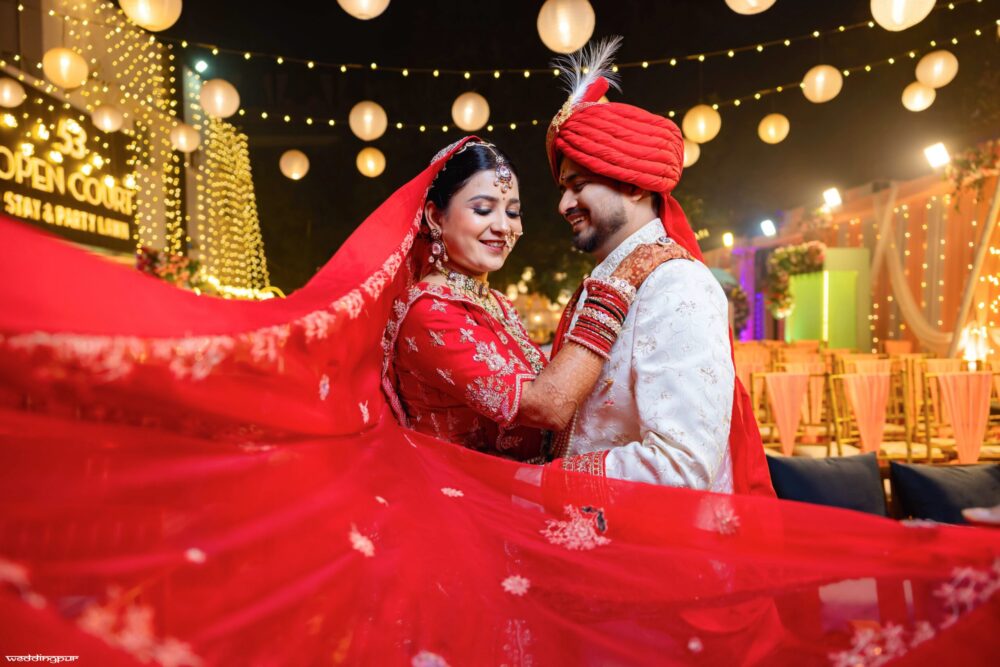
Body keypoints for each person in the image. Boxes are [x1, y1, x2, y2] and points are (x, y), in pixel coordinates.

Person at [0, 136, 997, 666]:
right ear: (431, 221)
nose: (519, 222)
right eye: (488, 206)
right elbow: (543, 407)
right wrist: (610, 294)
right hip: (473, 536)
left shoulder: (635, 288)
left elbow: (660, 453)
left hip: (550, 534)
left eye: (521, 207)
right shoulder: (439, 314)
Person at [543, 38, 773, 496]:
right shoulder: (611, 280)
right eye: (563, 188)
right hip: (589, 525)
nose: (564, 204)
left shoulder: (676, 286)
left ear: (634, 186)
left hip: (645, 537)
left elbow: (680, 466)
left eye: (578, 185)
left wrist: (545, 480)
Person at [383, 140, 680, 463]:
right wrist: (616, 288)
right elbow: (547, 407)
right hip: (462, 489)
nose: (503, 227)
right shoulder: (429, 311)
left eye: (513, 212)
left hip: (515, 483)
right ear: (435, 217)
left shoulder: (497, 303)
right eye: (482, 209)